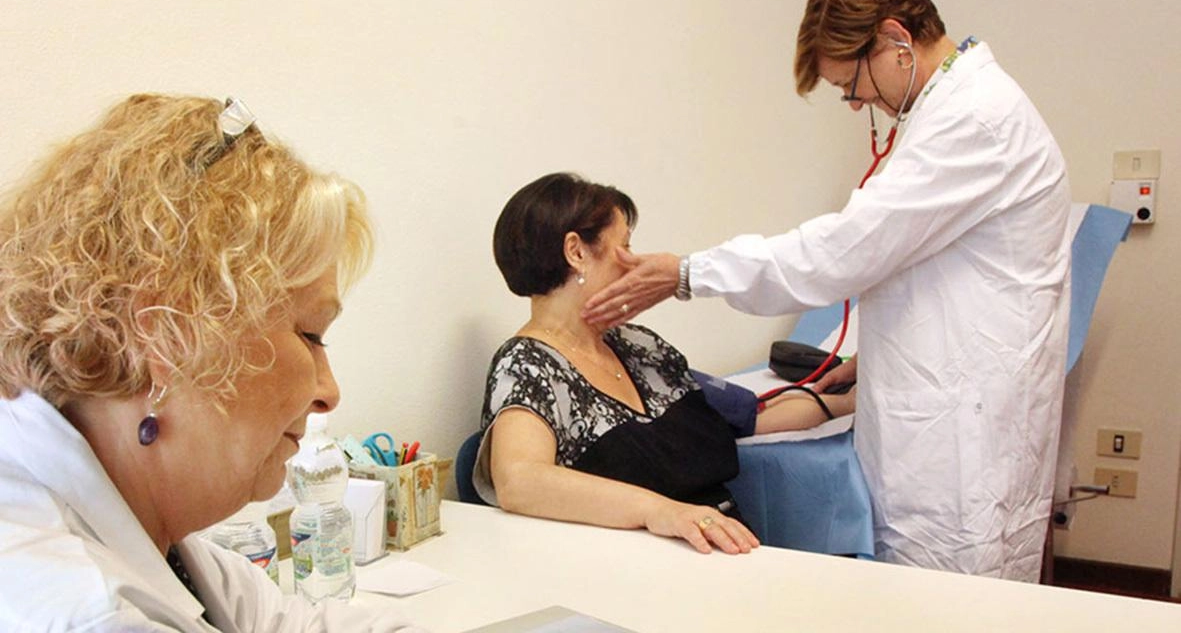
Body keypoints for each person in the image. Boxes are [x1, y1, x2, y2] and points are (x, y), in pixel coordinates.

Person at [583, 0, 1071, 582]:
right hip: (946, 408)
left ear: (895, 39)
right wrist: (875, 358)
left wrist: (687, 273)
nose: (858, 104)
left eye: (851, 84)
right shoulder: (953, 112)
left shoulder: (975, 122)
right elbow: (949, 275)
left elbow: (843, 251)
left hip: (962, 444)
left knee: (955, 602)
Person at [0, 94, 423, 631]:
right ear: (168, 333)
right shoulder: (85, 612)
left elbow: (286, 624)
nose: (328, 391)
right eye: (311, 334)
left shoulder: (160, 543)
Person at [473, 172, 854, 555]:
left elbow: (750, 416)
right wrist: (660, 511)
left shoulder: (638, 347)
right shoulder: (526, 365)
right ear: (576, 251)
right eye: (624, 246)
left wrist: (852, 402)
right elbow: (519, 480)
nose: (634, 263)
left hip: (726, 550)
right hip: (641, 572)